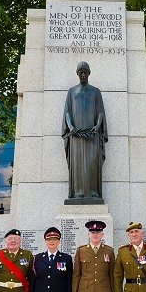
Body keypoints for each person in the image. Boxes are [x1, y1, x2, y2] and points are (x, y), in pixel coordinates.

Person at [62, 61, 108, 200]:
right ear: (77, 74)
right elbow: (67, 112)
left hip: (93, 134)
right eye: (81, 72)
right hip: (75, 134)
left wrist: (97, 125)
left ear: (89, 73)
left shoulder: (95, 91)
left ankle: (93, 191)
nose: (83, 75)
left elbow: (100, 111)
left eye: (85, 72)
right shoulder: (72, 91)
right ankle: (78, 192)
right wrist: (70, 126)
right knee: (77, 165)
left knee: (93, 163)